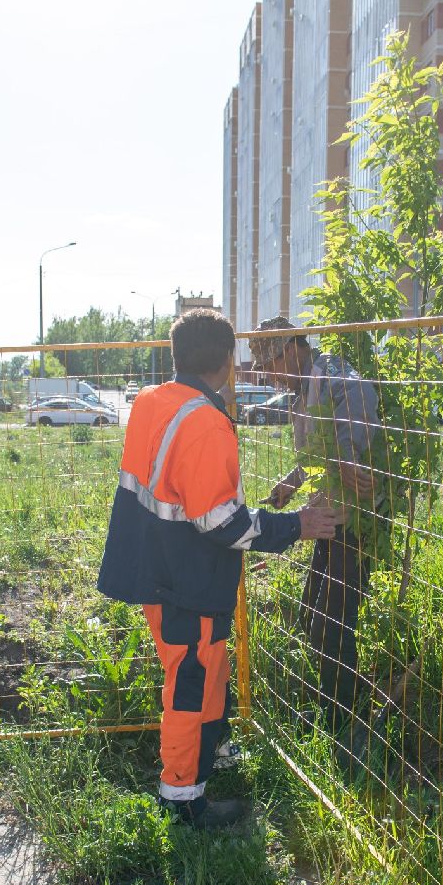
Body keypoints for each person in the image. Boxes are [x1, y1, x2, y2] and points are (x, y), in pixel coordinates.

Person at [97, 308, 341, 828]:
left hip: (157, 570)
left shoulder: (153, 402)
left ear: (176, 354)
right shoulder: (204, 422)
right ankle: (182, 798)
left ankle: (210, 756)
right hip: (187, 580)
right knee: (190, 683)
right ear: (229, 361)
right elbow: (222, 524)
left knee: (207, 671)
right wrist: (297, 525)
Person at [250, 317, 381, 755]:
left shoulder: (330, 372)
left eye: (269, 363)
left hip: (355, 522)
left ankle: (342, 720)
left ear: (292, 349)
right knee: (314, 615)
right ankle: (335, 703)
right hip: (326, 518)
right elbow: (315, 456)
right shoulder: (298, 396)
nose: (267, 374)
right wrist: (292, 480)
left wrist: (350, 456)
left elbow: (361, 401)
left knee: (333, 621)